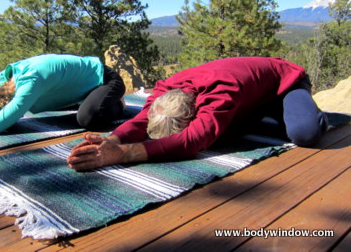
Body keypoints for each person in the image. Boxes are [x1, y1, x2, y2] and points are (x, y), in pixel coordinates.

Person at [67, 57, 328, 171]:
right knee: (225, 134)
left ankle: (304, 107)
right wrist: (113, 140)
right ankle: (258, 109)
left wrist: (123, 154)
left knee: (304, 133)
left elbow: (192, 142)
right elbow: (140, 119)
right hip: (250, 92)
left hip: (283, 82)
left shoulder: (222, 93)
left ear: (196, 111)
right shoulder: (164, 90)